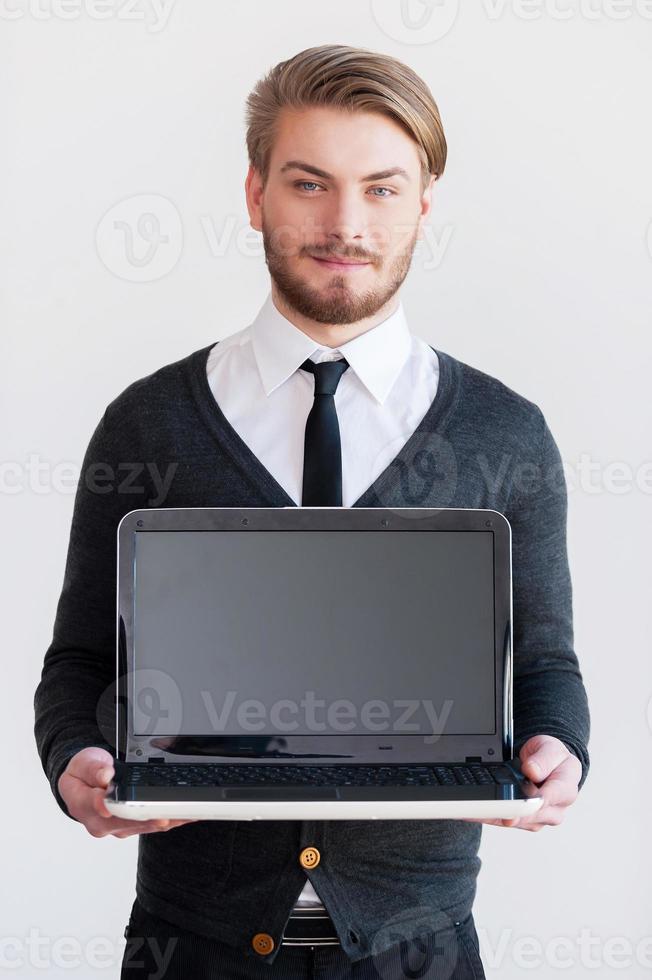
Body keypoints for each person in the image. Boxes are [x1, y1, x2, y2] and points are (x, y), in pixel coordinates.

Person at [34, 44, 590, 979]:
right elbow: (81, 664)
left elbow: (543, 664)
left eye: (381, 188)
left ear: (423, 203)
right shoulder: (151, 422)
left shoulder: (504, 432)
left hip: (421, 950)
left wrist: (559, 747)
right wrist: (75, 761)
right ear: (255, 195)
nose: (345, 223)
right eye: (309, 184)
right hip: (194, 948)